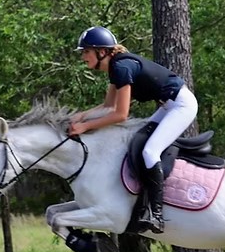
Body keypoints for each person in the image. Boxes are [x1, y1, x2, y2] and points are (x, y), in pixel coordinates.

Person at [69, 26, 198, 234]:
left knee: (150, 151)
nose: (83, 56)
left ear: (102, 52)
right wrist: (82, 115)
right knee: (136, 142)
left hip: (181, 105)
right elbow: (108, 107)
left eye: (86, 51)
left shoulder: (122, 67)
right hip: (168, 105)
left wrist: (85, 126)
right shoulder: (115, 68)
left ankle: (156, 214)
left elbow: (120, 115)